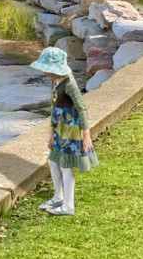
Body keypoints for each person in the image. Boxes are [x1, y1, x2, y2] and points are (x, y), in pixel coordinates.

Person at [32, 47, 97, 216]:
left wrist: (86, 136)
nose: (44, 71)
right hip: (60, 129)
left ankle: (69, 205)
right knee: (53, 161)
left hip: (71, 130)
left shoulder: (70, 84)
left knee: (65, 165)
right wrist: (51, 133)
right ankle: (58, 196)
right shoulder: (55, 81)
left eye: (46, 68)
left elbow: (81, 109)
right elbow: (55, 108)